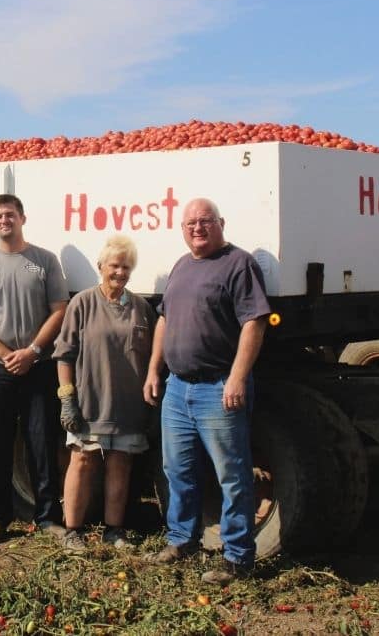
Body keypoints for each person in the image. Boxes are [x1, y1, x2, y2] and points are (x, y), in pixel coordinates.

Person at [142, 198, 271, 584]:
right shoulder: (182, 265)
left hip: (218, 387)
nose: (198, 228)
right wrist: (154, 369)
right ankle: (182, 539)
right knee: (177, 470)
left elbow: (255, 323)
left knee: (232, 475)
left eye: (205, 221)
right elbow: (165, 319)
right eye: (191, 223)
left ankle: (237, 559)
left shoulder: (238, 263)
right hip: (178, 388)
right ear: (182, 229)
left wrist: (236, 377)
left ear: (221, 223)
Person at [0, 194, 69, 544]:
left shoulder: (40, 262)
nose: (4, 220)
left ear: (23, 217)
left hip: (38, 367)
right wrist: (5, 353)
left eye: (10, 214)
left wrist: (33, 351)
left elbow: (59, 309)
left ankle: (49, 517)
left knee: (42, 441)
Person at [52, 235, 154, 551]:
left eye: (126, 267)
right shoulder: (82, 303)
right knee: (82, 462)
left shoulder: (141, 308)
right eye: (114, 266)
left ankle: (114, 531)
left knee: (120, 465)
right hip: (90, 403)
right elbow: (64, 354)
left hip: (127, 406)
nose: (120, 272)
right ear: (101, 267)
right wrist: (67, 398)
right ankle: (73, 531)